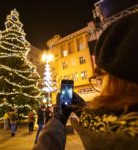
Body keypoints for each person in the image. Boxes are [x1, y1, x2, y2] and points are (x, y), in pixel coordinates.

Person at [33, 12, 138, 150]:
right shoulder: (120, 125)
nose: (100, 86)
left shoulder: (113, 135)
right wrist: (83, 110)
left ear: (118, 79)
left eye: (100, 78)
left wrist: (57, 120)